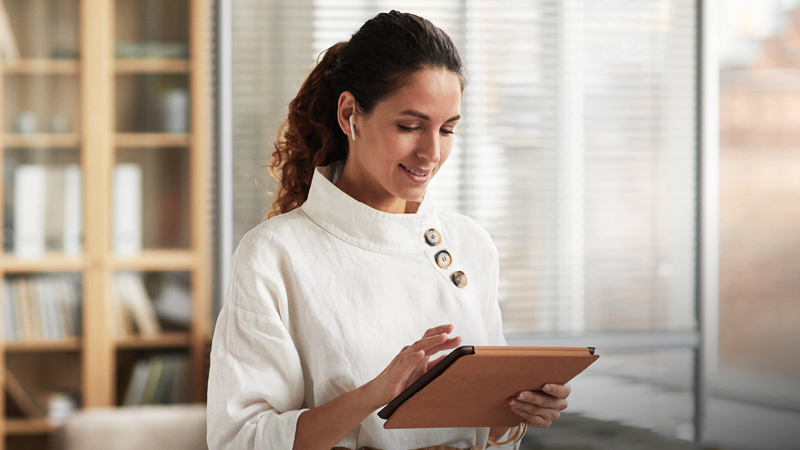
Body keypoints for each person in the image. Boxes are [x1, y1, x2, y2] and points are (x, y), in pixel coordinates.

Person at [207, 10, 571, 450]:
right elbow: (241, 440)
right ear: (350, 115)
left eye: (448, 129)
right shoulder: (274, 254)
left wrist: (510, 417)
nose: (431, 153)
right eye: (410, 126)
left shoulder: (470, 244)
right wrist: (376, 395)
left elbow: (485, 433)